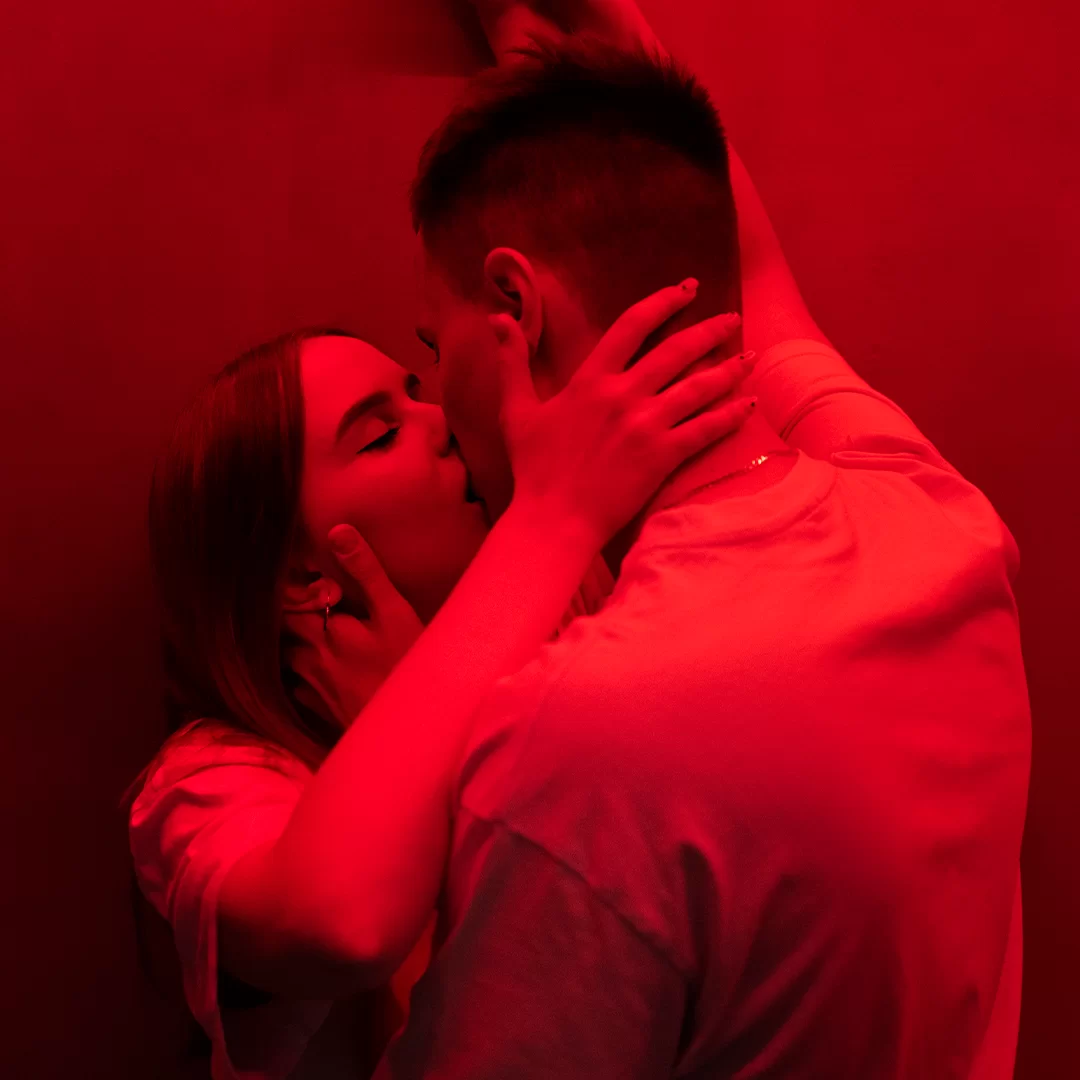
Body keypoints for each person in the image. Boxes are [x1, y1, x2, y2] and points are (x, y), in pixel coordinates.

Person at [367, 3, 1031, 1078]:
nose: (439, 401)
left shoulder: (583, 741)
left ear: (513, 306)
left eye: (434, 346)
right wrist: (617, 33)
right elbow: (765, 297)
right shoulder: (937, 515)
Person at [128, 284, 756, 1079]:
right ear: (299, 574)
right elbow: (341, 922)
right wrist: (551, 515)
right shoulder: (211, 783)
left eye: (417, 391)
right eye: (383, 435)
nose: (442, 422)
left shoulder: (572, 611)